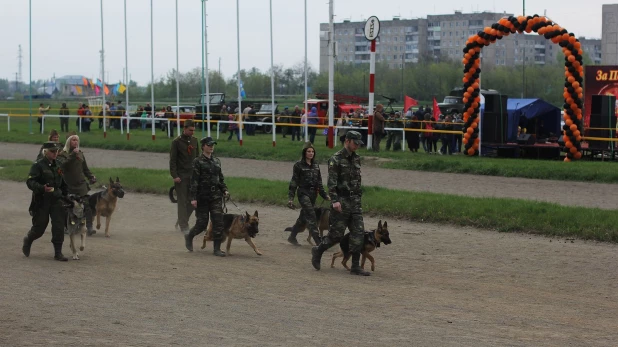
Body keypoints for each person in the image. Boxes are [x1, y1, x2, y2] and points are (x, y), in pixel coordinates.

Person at [311, 131, 370, 276]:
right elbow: (331, 182)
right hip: (341, 201)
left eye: (358, 144)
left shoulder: (356, 158)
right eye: (355, 143)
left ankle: (355, 266)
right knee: (336, 235)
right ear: (347, 141)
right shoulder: (336, 159)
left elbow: (357, 180)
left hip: (355, 201)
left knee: (358, 233)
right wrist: (335, 200)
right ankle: (318, 250)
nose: (357, 146)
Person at [22, 141, 69, 261]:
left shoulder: (58, 164)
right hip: (42, 200)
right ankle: (28, 239)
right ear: (45, 151)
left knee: (59, 226)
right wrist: (42, 188)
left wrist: (66, 195)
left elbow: (62, 182)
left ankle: (58, 253)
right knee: (39, 227)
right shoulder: (38, 165)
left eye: (56, 151)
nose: (55, 153)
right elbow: (30, 182)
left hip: (56, 200)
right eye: (52, 151)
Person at [184, 137, 229, 256]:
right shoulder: (197, 161)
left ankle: (217, 249)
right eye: (209, 145)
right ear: (203, 146)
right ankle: (189, 236)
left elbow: (220, 178)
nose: (211, 147)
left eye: (213, 145)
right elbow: (194, 181)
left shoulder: (217, 161)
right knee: (202, 223)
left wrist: (224, 190)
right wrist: (193, 198)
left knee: (218, 222)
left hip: (215, 196)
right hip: (202, 196)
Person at [286, 142, 330, 246]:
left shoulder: (316, 165)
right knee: (311, 214)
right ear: (304, 153)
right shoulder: (298, 165)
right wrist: (291, 198)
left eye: (312, 152)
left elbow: (319, 182)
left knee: (303, 218)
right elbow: (294, 182)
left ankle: (292, 237)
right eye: (308, 151)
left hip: (313, 194)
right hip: (303, 193)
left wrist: (324, 195)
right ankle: (318, 241)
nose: (311, 153)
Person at [57, 134, 97, 235]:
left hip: (81, 184)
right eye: (73, 140)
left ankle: (89, 227)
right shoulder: (63, 154)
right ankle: (66, 226)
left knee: (87, 205)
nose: (75, 142)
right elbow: (62, 166)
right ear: (69, 142)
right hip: (68, 185)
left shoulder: (80, 153)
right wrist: (72, 155)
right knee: (68, 206)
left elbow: (85, 168)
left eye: (76, 140)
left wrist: (91, 176)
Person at [170, 120, 199, 234]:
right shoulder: (176, 142)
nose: (192, 132)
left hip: (192, 176)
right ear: (185, 128)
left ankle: (182, 219)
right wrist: (175, 175)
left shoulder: (195, 141)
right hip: (181, 176)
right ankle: (183, 226)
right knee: (182, 202)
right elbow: (173, 161)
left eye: (193, 130)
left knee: (193, 201)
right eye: (190, 130)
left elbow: (197, 159)